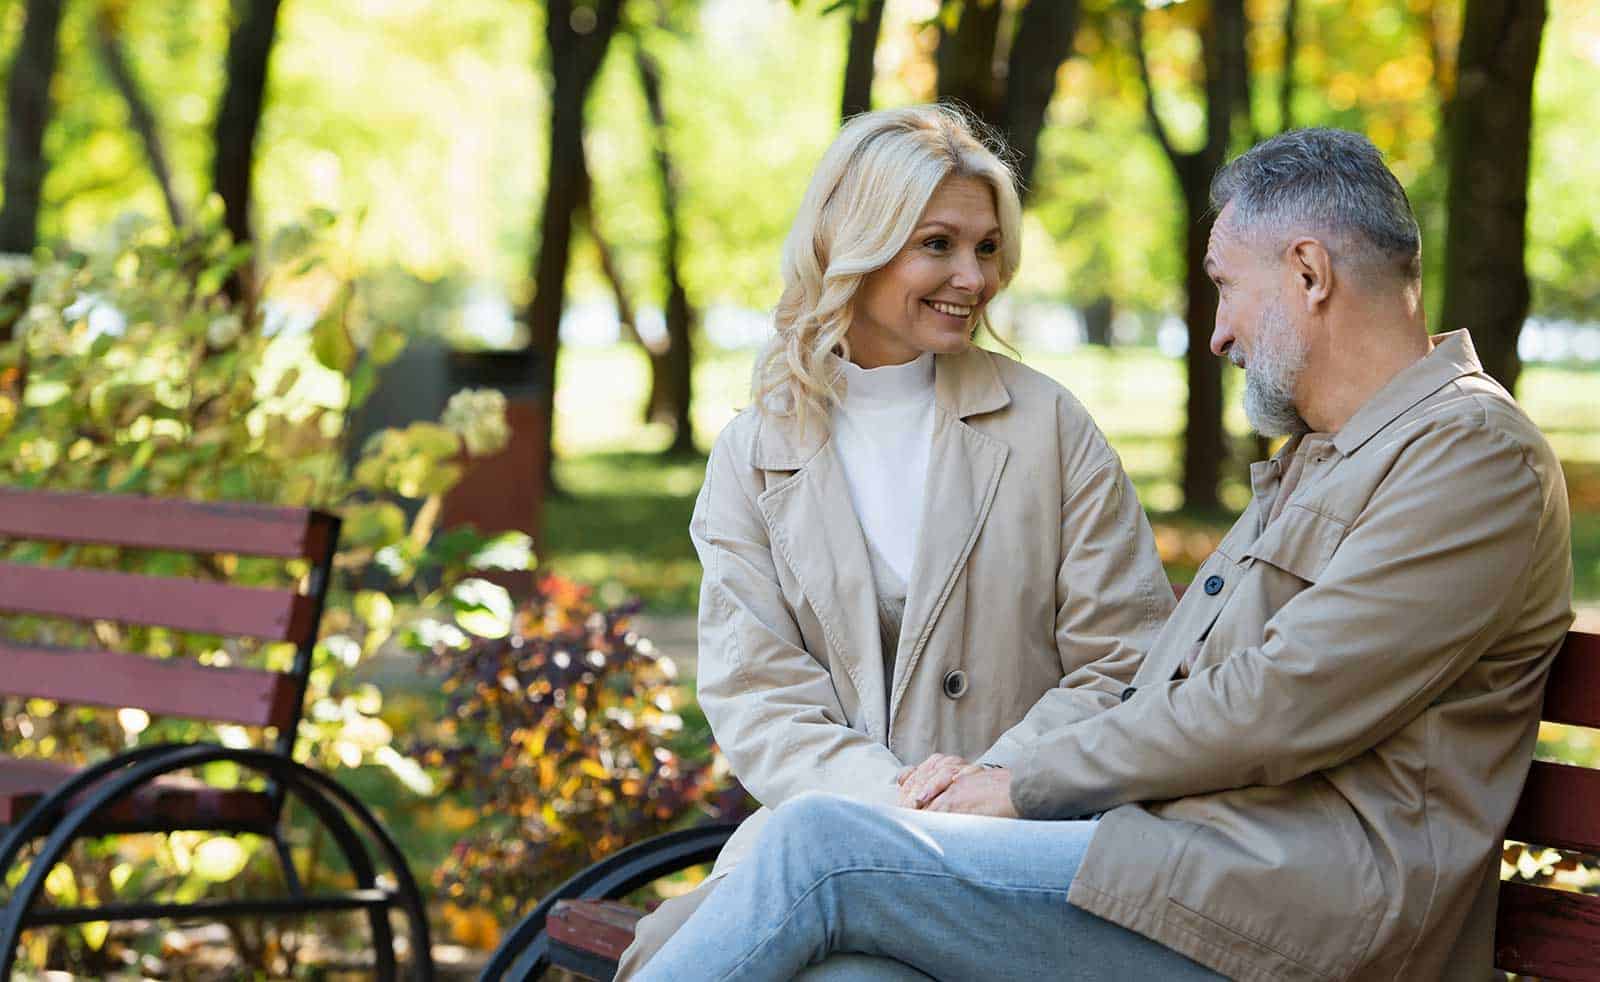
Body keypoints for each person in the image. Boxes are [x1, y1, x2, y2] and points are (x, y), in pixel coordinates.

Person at [634, 127, 1574, 982]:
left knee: (819, 851)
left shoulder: (1469, 454)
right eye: (938, 243)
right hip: (1188, 873)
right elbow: (1174, 688)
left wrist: (1006, 787)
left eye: (1223, 287)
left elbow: (1278, 699)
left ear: (1308, 273)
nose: (1216, 333)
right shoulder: (1330, 457)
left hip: (1301, 919)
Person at [615, 105, 1176, 979]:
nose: (974, 276)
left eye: (988, 248)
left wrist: (992, 785)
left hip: (1022, 856)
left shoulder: (1050, 429)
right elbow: (759, 696)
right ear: (858, 243)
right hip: (835, 851)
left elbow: (1126, 662)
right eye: (939, 244)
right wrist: (893, 809)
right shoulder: (755, 456)